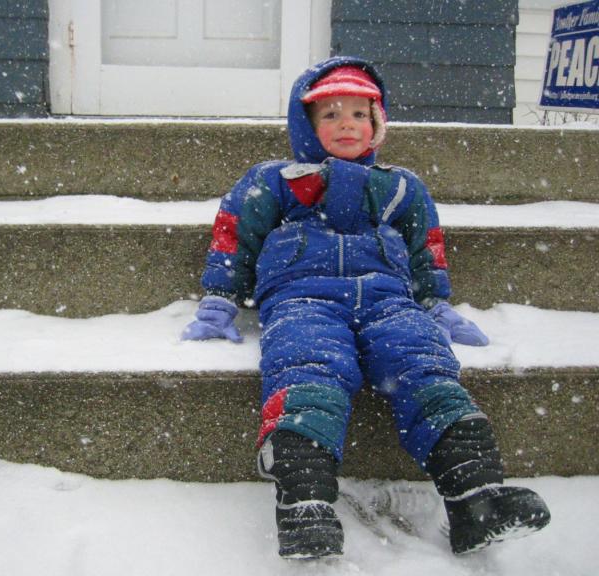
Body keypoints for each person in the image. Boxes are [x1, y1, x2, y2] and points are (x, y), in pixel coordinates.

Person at [182, 56, 550, 559]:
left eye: (359, 114)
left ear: (377, 122)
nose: (347, 124)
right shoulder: (275, 181)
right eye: (330, 114)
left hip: (388, 300)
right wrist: (220, 297)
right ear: (305, 125)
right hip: (302, 298)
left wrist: (434, 301)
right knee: (307, 366)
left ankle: (475, 498)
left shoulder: (400, 186)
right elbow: (234, 237)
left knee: (423, 363)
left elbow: (426, 247)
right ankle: (304, 505)